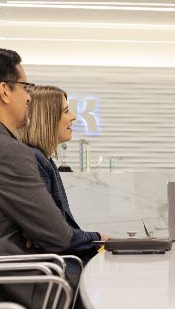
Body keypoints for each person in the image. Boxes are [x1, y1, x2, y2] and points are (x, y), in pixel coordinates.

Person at [0, 47, 85, 309]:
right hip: (33, 292)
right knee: (119, 291)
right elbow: (60, 237)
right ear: (5, 91)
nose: (29, 96)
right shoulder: (9, 152)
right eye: (25, 87)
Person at [16, 85, 108, 264]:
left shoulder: (44, 160)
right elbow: (57, 236)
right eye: (66, 111)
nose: (73, 116)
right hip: (56, 269)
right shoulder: (36, 160)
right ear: (47, 119)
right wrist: (100, 238)